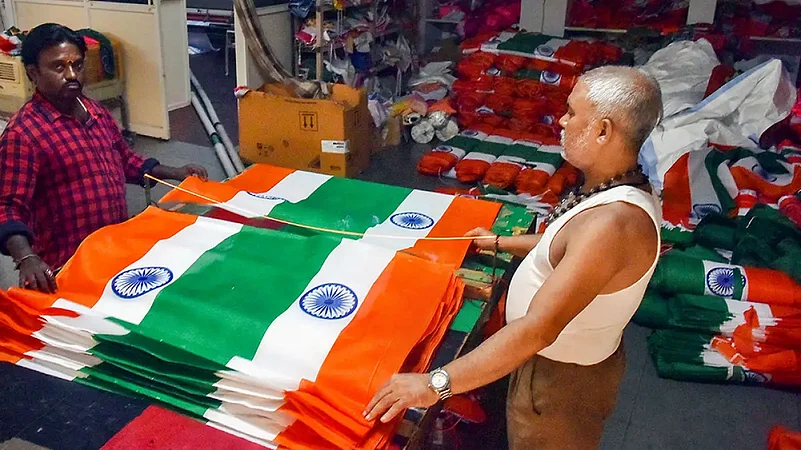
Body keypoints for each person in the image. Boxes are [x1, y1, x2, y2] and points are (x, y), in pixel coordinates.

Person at [364, 66, 664, 449]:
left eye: (572, 113)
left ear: (603, 131)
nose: (562, 121)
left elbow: (537, 329)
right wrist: (500, 242)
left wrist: (434, 383)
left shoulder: (612, 225)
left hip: (559, 383)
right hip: (547, 365)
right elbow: (563, 243)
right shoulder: (617, 188)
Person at [0, 23, 208, 294]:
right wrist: (26, 258)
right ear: (33, 73)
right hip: (67, 268)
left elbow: (124, 161)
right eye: (59, 67)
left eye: (77, 65)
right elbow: (7, 206)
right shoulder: (24, 134)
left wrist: (175, 172)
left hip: (113, 254)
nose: (71, 75)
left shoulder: (95, 112)